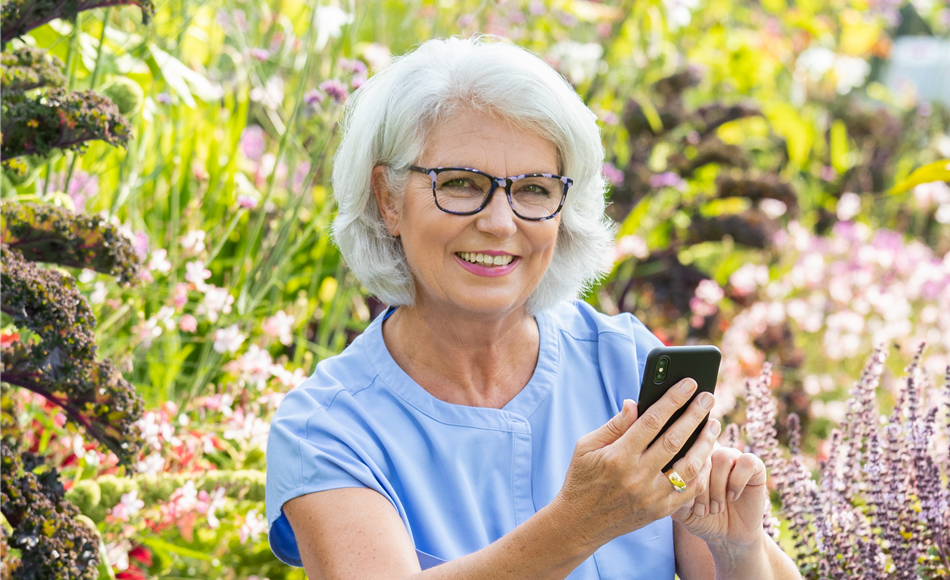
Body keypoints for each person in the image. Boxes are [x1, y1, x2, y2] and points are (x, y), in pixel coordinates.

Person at [265, 36, 801, 580]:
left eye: (535, 190)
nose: (500, 222)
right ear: (387, 199)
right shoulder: (327, 429)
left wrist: (739, 549)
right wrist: (578, 524)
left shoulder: (626, 362)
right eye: (459, 183)